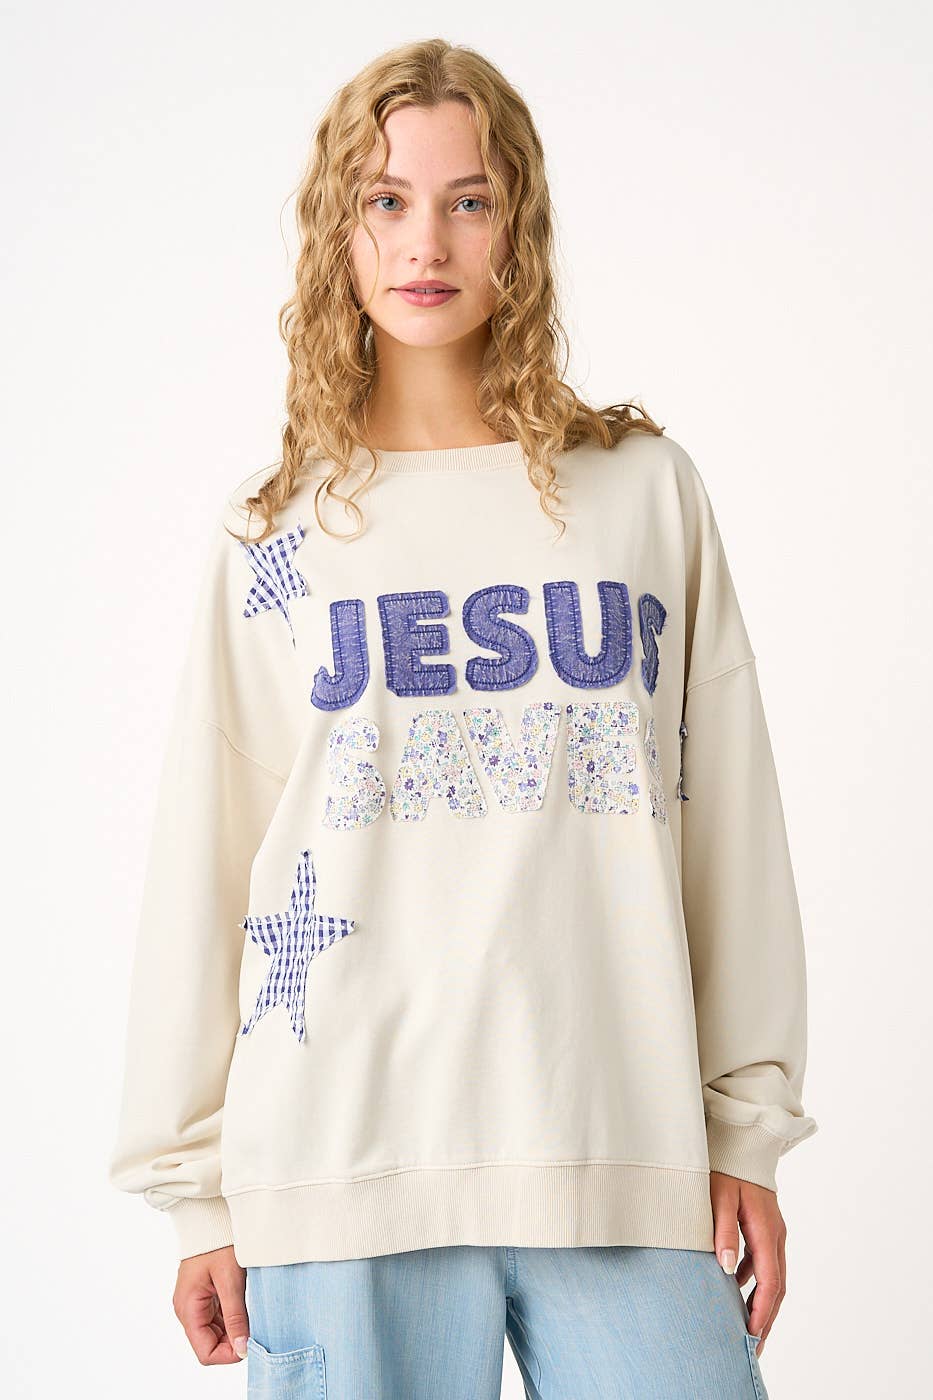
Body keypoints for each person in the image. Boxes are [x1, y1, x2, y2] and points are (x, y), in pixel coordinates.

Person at [108, 37, 817, 1400]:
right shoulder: (279, 533)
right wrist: (195, 1189)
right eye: (385, 201)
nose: (425, 241)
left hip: (616, 1147)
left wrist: (745, 1129)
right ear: (339, 231)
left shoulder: (640, 492)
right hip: (340, 1162)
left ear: (518, 228)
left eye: (467, 200)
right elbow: (211, 859)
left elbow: (729, 825)